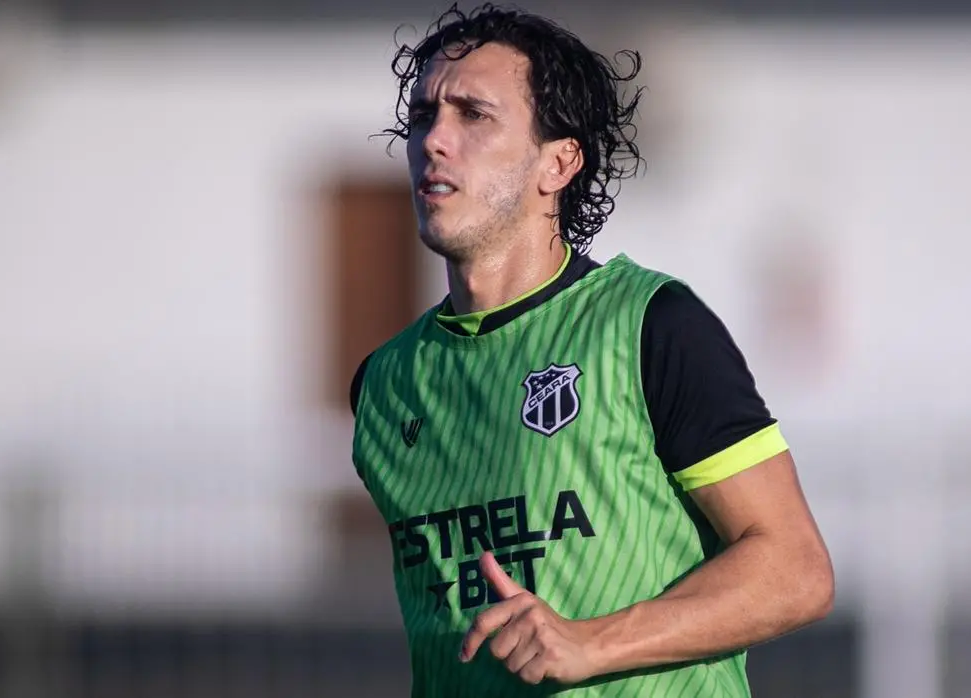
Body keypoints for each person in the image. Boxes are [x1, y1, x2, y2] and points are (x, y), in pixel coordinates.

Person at [348, 4, 834, 695]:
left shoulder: (650, 325)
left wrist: (591, 643)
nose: (435, 140)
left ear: (559, 162)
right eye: (424, 116)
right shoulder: (384, 383)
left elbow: (797, 571)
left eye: (474, 115)